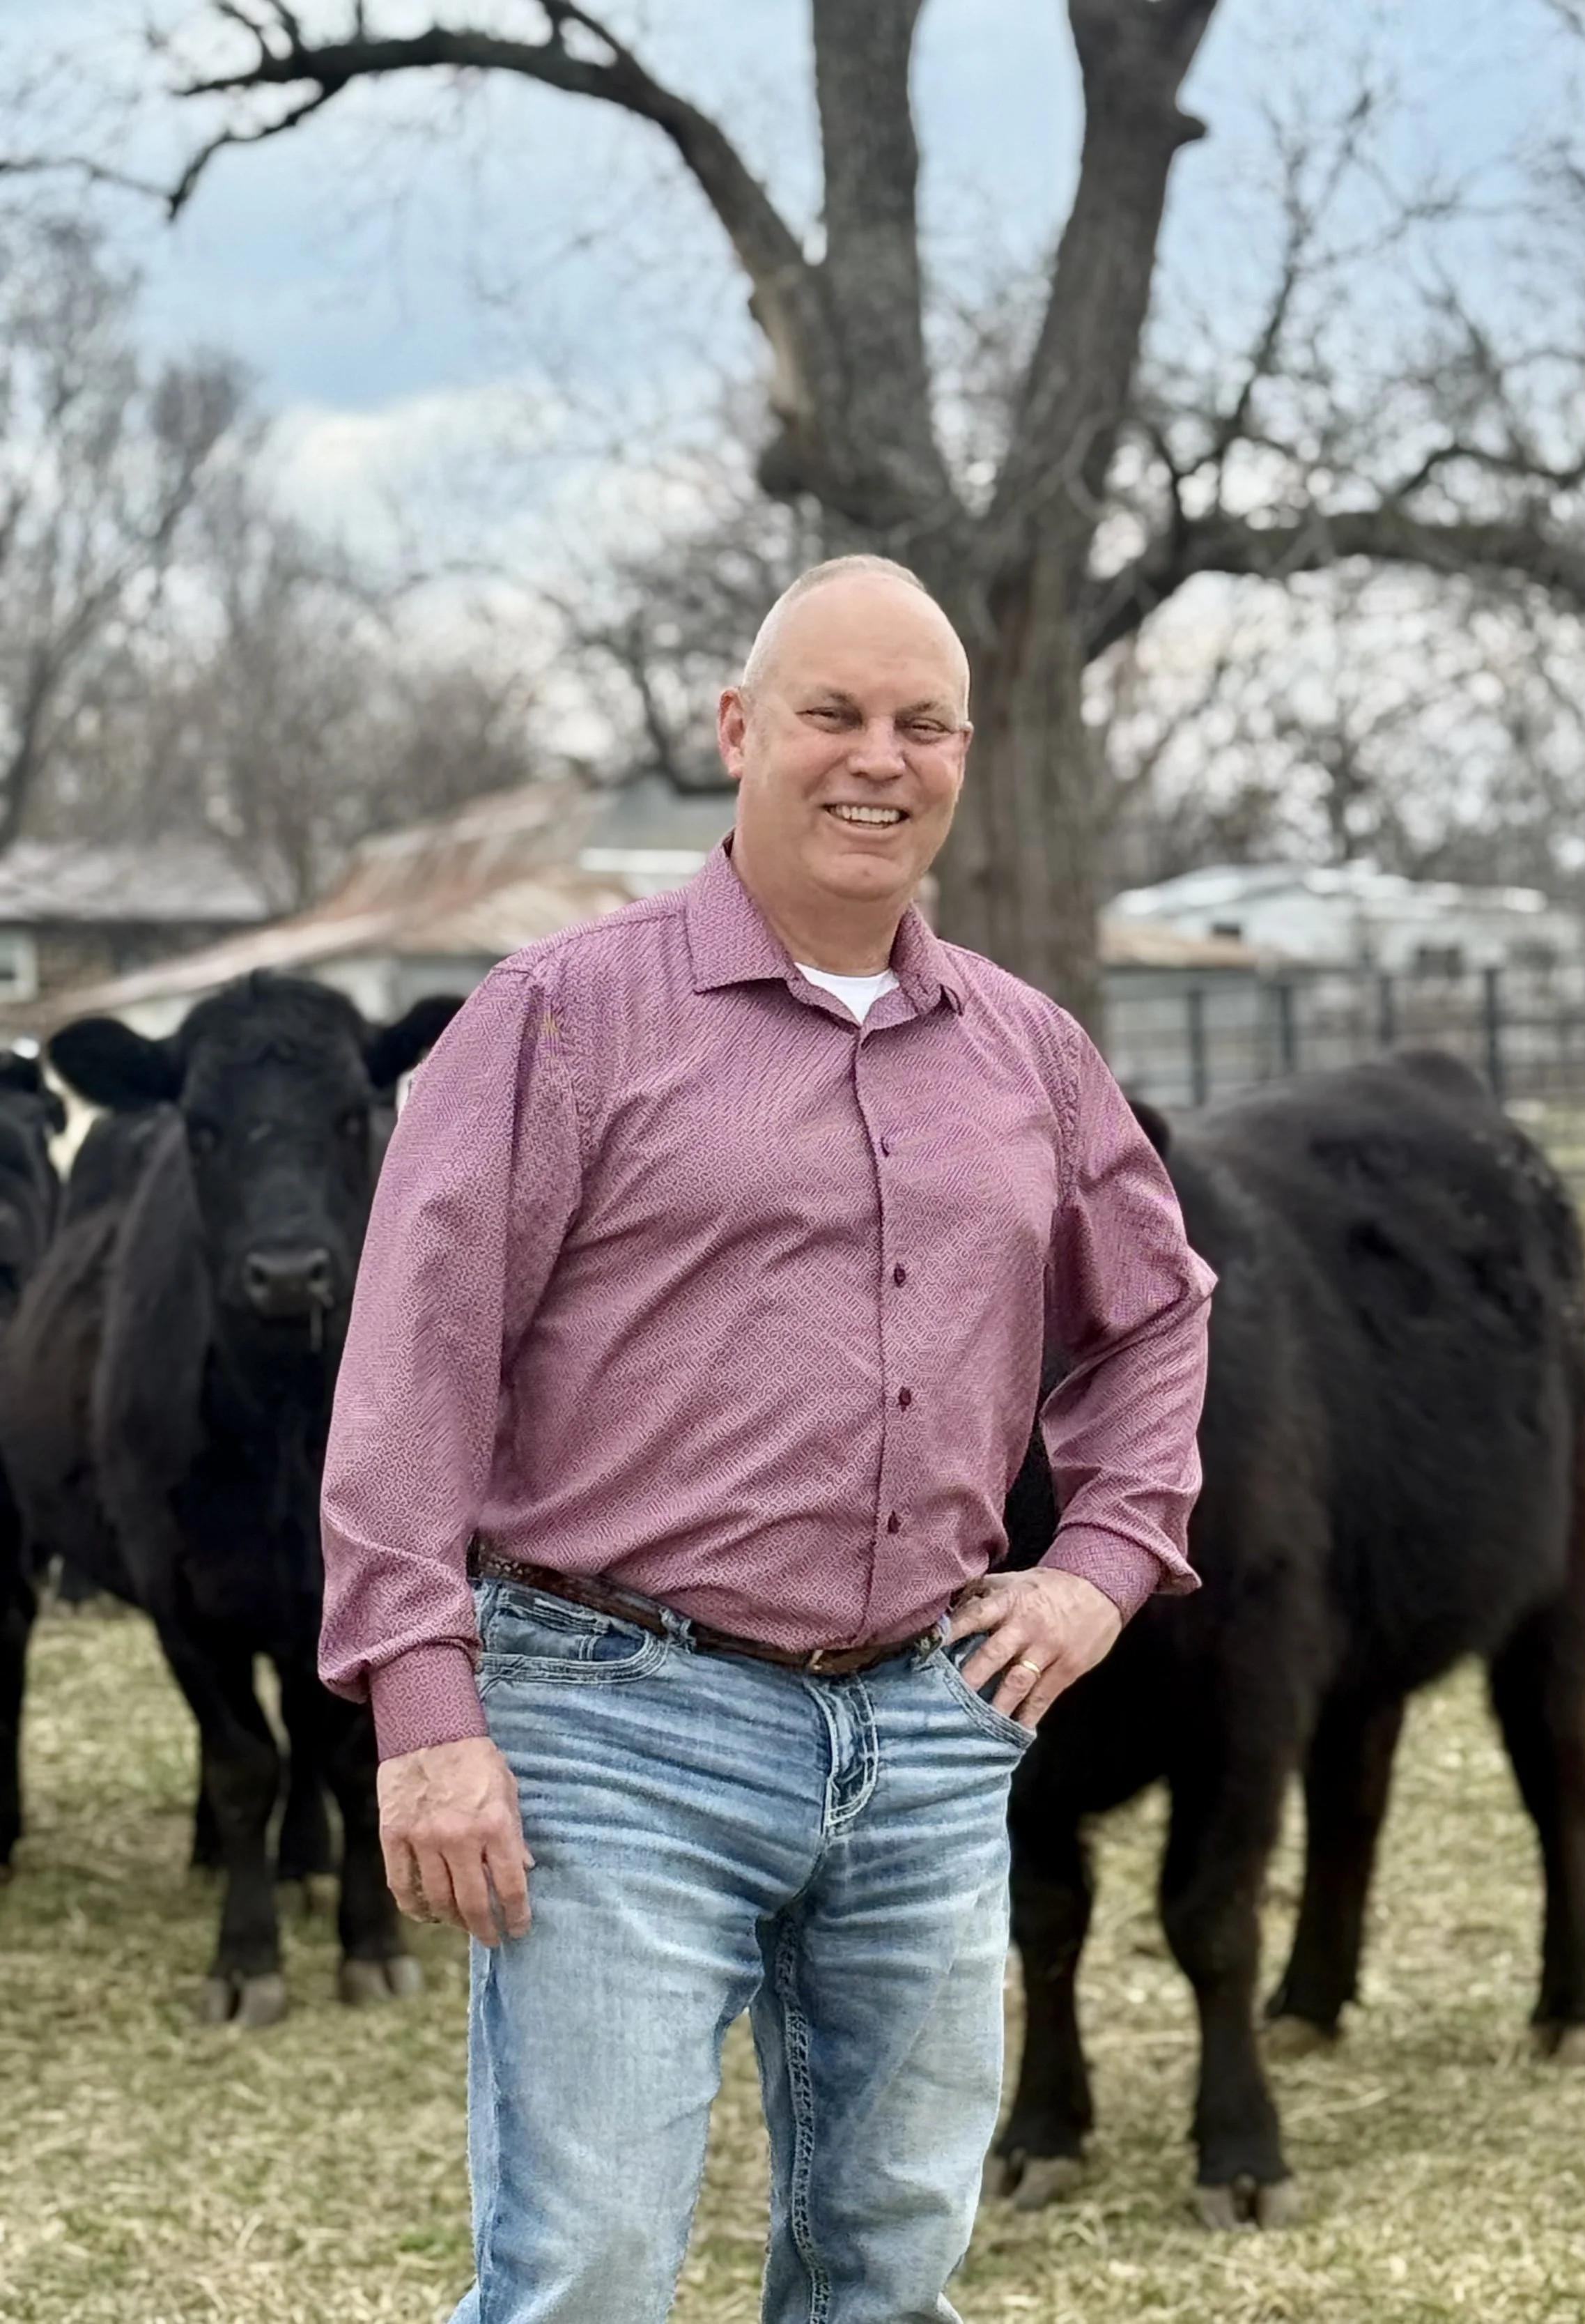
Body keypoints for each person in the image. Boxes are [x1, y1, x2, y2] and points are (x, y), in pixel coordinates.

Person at [319, 555, 1214, 2324]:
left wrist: (1102, 1564)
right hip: (613, 1721)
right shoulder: (561, 1013)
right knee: (587, 2270)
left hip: (927, 1730)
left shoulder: (1026, 1050)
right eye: (832, 713)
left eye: (920, 723)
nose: (877, 758)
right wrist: (422, 1709)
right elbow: (416, 1363)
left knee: (888, 2260)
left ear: (962, 754)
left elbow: (1157, 1308)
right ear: (739, 729)